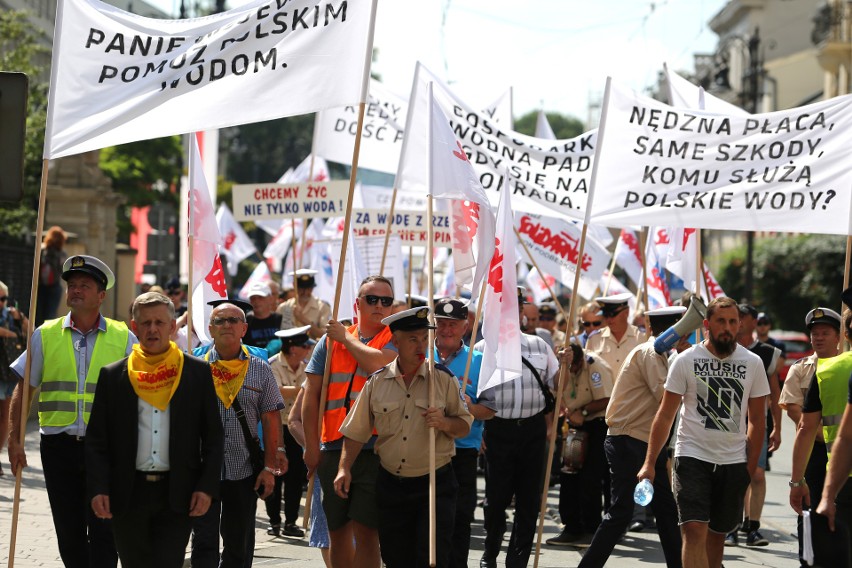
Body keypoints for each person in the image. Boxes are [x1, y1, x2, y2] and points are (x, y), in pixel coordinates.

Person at [8, 255, 136, 568]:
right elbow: (24, 388)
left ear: (101, 296)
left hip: (105, 450)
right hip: (58, 447)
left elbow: (140, 395)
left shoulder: (124, 338)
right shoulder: (45, 334)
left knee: (105, 530)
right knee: (69, 532)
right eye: (72, 285)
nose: (76, 290)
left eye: (84, 286)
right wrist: (14, 438)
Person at [85, 292, 224, 568]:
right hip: (127, 494)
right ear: (134, 328)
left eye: (160, 323)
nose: (152, 329)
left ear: (173, 327)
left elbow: (213, 437)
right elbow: (97, 440)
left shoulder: (196, 373)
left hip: (177, 494)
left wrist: (206, 488)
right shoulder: (113, 376)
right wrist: (98, 487)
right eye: (145, 323)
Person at [334, 306, 472, 567]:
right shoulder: (377, 382)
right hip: (392, 485)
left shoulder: (442, 379)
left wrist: (444, 422)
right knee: (396, 558)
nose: (421, 345)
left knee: (431, 558)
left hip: (434, 484)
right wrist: (344, 469)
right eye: (412, 339)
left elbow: (464, 425)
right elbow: (356, 431)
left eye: (424, 338)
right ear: (395, 341)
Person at [638, 296, 769, 568]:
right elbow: (665, 415)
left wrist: (749, 466)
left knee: (716, 537)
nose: (727, 327)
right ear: (707, 325)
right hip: (692, 457)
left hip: (733, 462)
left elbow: (757, 420)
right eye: (721, 321)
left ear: (740, 325)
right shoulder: (685, 360)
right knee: (694, 529)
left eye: (733, 321)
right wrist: (649, 463)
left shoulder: (753, 363)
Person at [576, 306, 687, 568]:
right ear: (674, 332)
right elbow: (667, 398)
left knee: (667, 512)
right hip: (629, 442)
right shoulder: (650, 353)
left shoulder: (658, 355)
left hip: (645, 443)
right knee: (621, 512)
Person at [302, 275, 398, 568]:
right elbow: (311, 397)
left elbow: (376, 364)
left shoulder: (395, 337)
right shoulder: (329, 342)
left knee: (369, 531)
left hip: (374, 448)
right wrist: (310, 447)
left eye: (386, 301)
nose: (379, 306)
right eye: (372, 299)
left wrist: (346, 337)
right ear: (357, 303)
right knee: (337, 531)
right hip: (332, 445)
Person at [191, 302, 286, 568]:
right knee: (203, 542)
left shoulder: (260, 368)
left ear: (244, 328)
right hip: (202, 471)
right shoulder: (194, 366)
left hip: (243, 470)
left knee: (238, 544)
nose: (227, 325)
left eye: (233, 320)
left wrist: (269, 466)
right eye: (220, 321)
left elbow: (271, 418)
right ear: (210, 329)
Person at [476, 287, 559, 568]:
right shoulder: (482, 349)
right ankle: (490, 552)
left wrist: (568, 367)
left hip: (532, 431)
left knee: (528, 501)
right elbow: (472, 396)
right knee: (495, 501)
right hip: (498, 431)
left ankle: (518, 560)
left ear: (522, 312)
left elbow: (558, 388)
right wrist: (478, 431)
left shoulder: (540, 345)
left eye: (516, 307)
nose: (511, 313)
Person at [433, 297, 496, 567]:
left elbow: (490, 410)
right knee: (428, 520)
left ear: (465, 326)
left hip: (462, 452)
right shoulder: (420, 355)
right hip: (424, 449)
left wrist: (470, 408)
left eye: (453, 324)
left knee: (459, 520)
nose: (447, 329)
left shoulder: (479, 361)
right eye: (441, 323)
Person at [783, 307, 842, 566]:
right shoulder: (801, 370)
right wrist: (822, 432)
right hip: (814, 450)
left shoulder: (846, 367)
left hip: (842, 451)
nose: (818, 338)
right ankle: (807, 560)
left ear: (839, 336)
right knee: (808, 511)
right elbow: (794, 409)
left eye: (825, 333)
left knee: (841, 509)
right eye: (815, 334)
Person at [546, 342, 614, 547]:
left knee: (591, 477)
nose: (572, 371)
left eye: (574, 367)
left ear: (580, 360)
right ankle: (571, 526)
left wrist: (583, 412)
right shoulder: (561, 368)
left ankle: (591, 528)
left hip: (597, 424)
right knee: (569, 473)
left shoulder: (595, 365)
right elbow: (554, 394)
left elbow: (607, 398)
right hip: (574, 426)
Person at [725, 303, 782, 547]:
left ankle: (753, 527)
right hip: (730, 422)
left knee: (756, 474)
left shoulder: (767, 353)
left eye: (741, 317)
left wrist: (777, 427)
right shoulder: (724, 348)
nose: (736, 321)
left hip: (758, 421)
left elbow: (775, 394)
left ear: (752, 321)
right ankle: (731, 525)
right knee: (736, 475)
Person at [265, 325, 314, 538]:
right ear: (293, 348)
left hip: (297, 428)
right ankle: (274, 521)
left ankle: (291, 522)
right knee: (274, 475)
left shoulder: (307, 367)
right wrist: (305, 389)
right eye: (305, 346)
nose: (308, 349)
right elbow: (275, 391)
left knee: (295, 478)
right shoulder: (272, 365)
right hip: (276, 427)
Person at [0, 281, 27, 477]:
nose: (1, 302)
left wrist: (21, 317)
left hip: (7, 371)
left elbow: (32, 330)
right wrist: (11, 333)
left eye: (3, 299)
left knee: (4, 417)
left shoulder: (10, 315)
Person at [586, 293, 643, 375]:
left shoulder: (642, 337)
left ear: (626, 312)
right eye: (606, 315)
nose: (609, 319)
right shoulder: (594, 339)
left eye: (613, 314)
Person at [277, 269, 331, 339]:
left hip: (312, 349)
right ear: (294, 286)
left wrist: (302, 319)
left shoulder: (323, 307)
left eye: (309, 289)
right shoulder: (283, 307)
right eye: (301, 289)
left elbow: (326, 336)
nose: (305, 293)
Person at [36, 225, 68, 326]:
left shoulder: (59, 253)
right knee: (43, 315)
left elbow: (62, 270)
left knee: (45, 315)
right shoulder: (43, 250)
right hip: (45, 286)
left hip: (48, 286)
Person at [244, 283, 284, 353]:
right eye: (253, 298)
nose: (256, 301)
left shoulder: (280, 319)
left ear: (270, 299)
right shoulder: (244, 321)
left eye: (260, 297)